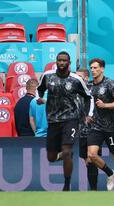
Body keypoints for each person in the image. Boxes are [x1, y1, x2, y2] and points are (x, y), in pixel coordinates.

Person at [37, 51, 92, 191]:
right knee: (51, 157)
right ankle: (67, 155)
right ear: (56, 61)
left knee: (66, 152)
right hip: (53, 120)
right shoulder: (48, 76)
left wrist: (86, 114)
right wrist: (39, 97)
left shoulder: (76, 79)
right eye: (59, 60)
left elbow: (88, 96)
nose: (61, 63)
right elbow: (40, 89)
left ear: (69, 63)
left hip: (71, 119)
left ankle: (66, 186)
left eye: (64, 61)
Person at [87, 58, 114, 191]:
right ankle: (110, 173)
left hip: (111, 127)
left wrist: (105, 105)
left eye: (95, 68)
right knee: (92, 155)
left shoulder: (110, 83)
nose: (93, 70)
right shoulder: (89, 85)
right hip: (96, 127)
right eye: (91, 68)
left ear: (102, 69)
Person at [75, 68, 99, 191]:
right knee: (87, 161)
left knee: (92, 158)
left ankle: (94, 189)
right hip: (81, 131)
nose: (76, 78)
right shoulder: (74, 90)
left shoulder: (93, 89)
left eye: (79, 76)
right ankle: (93, 188)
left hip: (94, 129)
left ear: (86, 78)